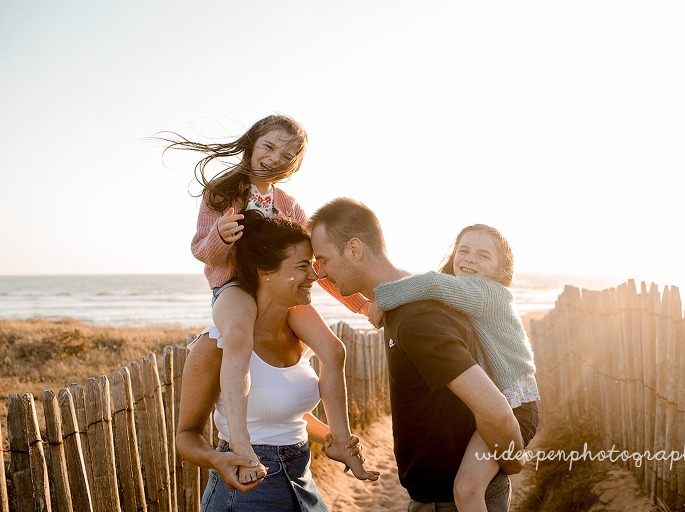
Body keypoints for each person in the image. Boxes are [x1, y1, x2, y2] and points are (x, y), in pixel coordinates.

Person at [158, 114, 371, 482]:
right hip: (234, 287)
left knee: (334, 349)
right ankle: (241, 442)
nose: (275, 157)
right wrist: (221, 237)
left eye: (287, 154)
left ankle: (339, 439)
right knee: (238, 337)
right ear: (252, 143)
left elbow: (313, 266)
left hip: (283, 290)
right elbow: (202, 251)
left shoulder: (289, 206)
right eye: (269, 146)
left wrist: (363, 304)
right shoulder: (223, 193)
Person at [308, 198, 528, 512]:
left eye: (324, 260)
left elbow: (496, 410)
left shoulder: (417, 318)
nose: (321, 273)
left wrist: (514, 459)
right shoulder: (404, 307)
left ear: (354, 249)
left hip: (452, 503)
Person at [176, 214, 379, 512]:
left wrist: (329, 438)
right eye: (301, 266)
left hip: (302, 483)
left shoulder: (301, 338)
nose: (314, 275)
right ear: (264, 271)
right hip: (246, 493)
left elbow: (281, 412)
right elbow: (186, 435)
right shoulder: (216, 345)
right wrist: (217, 460)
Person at [370, 224, 540, 512]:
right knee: (467, 488)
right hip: (498, 402)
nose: (471, 258)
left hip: (516, 406)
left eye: (484, 255)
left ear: (501, 271)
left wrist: (380, 301)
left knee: (467, 489)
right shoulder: (464, 295)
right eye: (464, 250)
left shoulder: (486, 292)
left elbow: (431, 284)